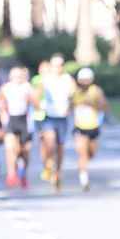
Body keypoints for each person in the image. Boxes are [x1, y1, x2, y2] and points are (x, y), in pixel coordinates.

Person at [35, 53, 76, 190]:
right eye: (54, 66)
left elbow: (75, 95)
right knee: (49, 142)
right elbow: (36, 96)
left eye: (60, 65)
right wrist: (39, 106)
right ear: (50, 66)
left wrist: (70, 106)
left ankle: (58, 171)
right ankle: (48, 164)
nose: (57, 68)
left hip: (62, 117)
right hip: (49, 116)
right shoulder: (45, 80)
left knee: (60, 146)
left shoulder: (67, 79)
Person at [71, 67, 110, 192]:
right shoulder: (75, 93)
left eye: (87, 80)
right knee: (82, 153)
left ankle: (85, 167)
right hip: (80, 127)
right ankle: (84, 179)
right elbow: (70, 107)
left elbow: (105, 107)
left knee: (91, 154)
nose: (84, 83)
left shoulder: (96, 91)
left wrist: (94, 104)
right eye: (82, 80)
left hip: (93, 126)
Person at [0, 65, 35, 189]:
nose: (18, 78)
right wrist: (2, 113)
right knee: (10, 148)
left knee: (25, 150)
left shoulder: (27, 87)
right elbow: (0, 101)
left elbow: (37, 103)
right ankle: (11, 173)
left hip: (25, 120)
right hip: (11, 120)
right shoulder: (6, 88)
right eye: (15, 76)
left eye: (20, 76)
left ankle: (23, 173)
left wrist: (31, 98)